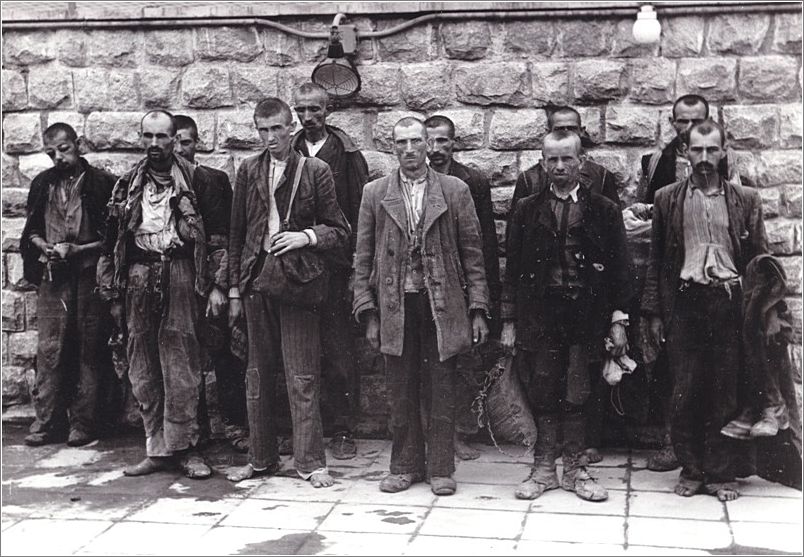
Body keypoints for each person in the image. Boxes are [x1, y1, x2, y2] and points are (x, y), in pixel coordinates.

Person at [352, 117, 491, 496]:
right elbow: (362, 258)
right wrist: (368, 311)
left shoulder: (454, 190)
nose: (410, 149)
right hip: (395, 304)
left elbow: (473, 255)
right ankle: (404, 465)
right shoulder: (375, 193)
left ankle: (441, 468)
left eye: (416, 141)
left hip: (442, 305)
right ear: (392, 147)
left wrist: (478, 308)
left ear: (428, 145)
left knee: (442, 387)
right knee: (399, 388)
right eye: (402, 143)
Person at [502, 130, 633, 502]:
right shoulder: (527, 209)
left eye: (567, 159)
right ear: (543, 164)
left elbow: (621, 268)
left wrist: (618, 318)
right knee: (543, 390)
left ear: (581, 162)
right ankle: (543, 469)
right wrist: (510, 320)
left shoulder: (603, 210)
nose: (560, 167)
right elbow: (513, 268)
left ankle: (576, 470)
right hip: (541, 318)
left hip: (585, 317)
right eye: (552, 160)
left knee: (578, 391)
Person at [641, 120, 768, 502]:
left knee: (726, 391)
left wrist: (765, 312)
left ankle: (720, 472)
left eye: (712, 150)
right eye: (697, 150)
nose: (705, 158)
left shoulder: (746, 199)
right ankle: (692, 468)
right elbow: (656, 259)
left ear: (725, 152)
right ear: (685, 153)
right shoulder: (666, 199)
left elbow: (760, 259)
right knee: (685, 390)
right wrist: (654, 312)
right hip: (685, 302)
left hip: (728, 303)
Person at [226, 98, 350, 487]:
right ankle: (261, 459)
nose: (271, 138)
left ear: (291, 126)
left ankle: (311, 463)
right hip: (255, 280)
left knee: (302, 376)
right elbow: (237, 234)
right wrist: (233, 288)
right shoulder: (248, 170)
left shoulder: (315, 170)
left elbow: (339, 230)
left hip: (297, 283)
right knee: (257, 375)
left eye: (278, 129)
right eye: (263, 131)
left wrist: (305, 236)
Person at [97, 109, 214, 479]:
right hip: (138, 276)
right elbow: (111, 242)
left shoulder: (199, 181)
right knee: (142, 362)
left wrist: (216, 286)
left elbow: (219, 240)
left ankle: (187, 448)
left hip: (180, 272)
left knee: (181, 362)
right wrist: (112, 292)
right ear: (140, 138)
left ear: (173, 138)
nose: (154, 145)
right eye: (148, 137)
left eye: (162, 137)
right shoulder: (127, 185)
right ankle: (157, 448)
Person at [637, 94, 740, 473]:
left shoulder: (728, 168)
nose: (687, 130)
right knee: (677, 376)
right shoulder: (657, 165)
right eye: (681, 122)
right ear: (672, 123)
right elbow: (652, 228)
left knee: (722, 381)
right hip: (679, 284)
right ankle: (680, 451)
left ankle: (719, 465)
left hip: (722, 288)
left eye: (695, 121)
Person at [20, 123, 117, 447]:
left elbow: (112, 239)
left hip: (90, 276)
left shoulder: (102, 184)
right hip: (54, 277)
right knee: (50, 350)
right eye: (51, 153)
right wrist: (43, 246)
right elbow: (30, 230)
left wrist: (79, 250)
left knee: (90, 349)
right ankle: (47, 422)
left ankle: (84, 423)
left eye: (64, 149)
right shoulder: (43, 184)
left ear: (78, 145)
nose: (58, 157)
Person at [290, 83, 369, 460]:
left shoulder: (347, 154)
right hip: (297, 266)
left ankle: (342, 429)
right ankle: (303, 430)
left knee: (339, 351)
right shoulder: (290, 150)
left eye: (315, 110)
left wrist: (357, 268)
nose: (308, 118)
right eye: (301, 110)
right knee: (299, 349)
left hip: (335, 266)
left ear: (328, 111)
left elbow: (359, 211)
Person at [424, 114, 500, 460]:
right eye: (429, 140)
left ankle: (455, 435)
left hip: (458, 290)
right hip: (422, 288)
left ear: (454, 143)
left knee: (457, 366)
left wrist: (482, 305)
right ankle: (427, 438)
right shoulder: (411, 181)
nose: (435, 148)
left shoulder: (472, 181)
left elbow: (482, 246)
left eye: (443, 141)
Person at [173, 114, 248, 454]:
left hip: (208, 281)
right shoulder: (154, 184)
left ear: (196, 144)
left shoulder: (212, 180)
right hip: (174, 282)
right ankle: (195, 430)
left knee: (224, 355)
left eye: (185, 142)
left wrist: (220, 285)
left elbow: (227, 235)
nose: (178, 149)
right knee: (183, 358)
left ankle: (234, 425)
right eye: (173, 141)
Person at [509, 106, 620, 217]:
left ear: (581, 131)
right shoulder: (529, 179)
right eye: (559, 129)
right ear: (548, 132)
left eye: (572, 129)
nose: (566, 134)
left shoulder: (601, 176)